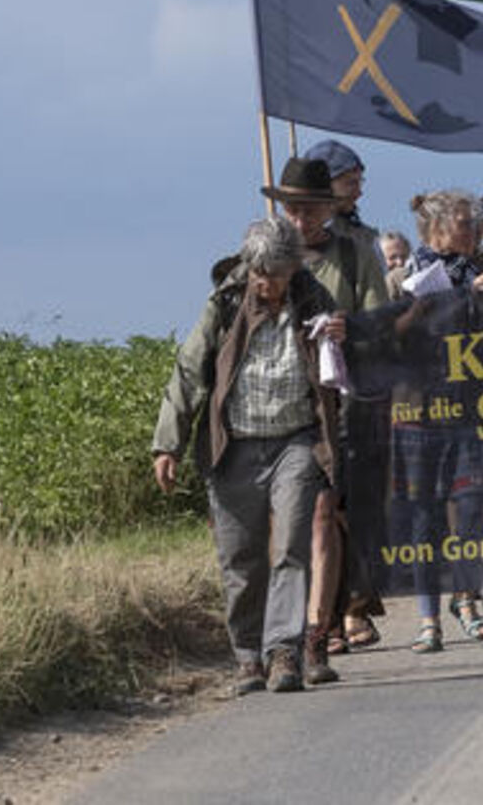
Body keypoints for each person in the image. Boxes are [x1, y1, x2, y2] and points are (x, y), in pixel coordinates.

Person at [151, 218, 343, 696]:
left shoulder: (315, 301)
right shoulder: (225, 304)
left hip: (296, 441)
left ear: (293, 269)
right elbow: (189, 372)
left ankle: (284, 653)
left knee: (290, 548)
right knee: (240, 556)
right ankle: (247, 656)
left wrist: (343, 335)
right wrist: (167, 443)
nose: (267, 282)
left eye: (276, 274)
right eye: (259, 272)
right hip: (234, 444)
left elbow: (346, 368)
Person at [265, 155, 389, 675]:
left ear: (329, 209)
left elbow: (384, 320)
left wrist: (350, 329)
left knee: (329, 513)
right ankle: (289, 632)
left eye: (312, 208)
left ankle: (321, 628)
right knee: (286, 523)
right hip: (276, 406)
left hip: (339, 401)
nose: (302, 219)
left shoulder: (356, 252)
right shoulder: (263, 255)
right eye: (293, 208)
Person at [391, 189, 483, 654]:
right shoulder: (401, 276)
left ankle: (466, 598)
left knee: (473, 507)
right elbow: (385, 335)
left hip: (468, 408)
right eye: (463, 223)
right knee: (424, 518)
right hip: (417, 413)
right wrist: (419, 307)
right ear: (436, 229)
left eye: (475, 222)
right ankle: (427, 617)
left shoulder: (480, 273)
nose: (472, 230)